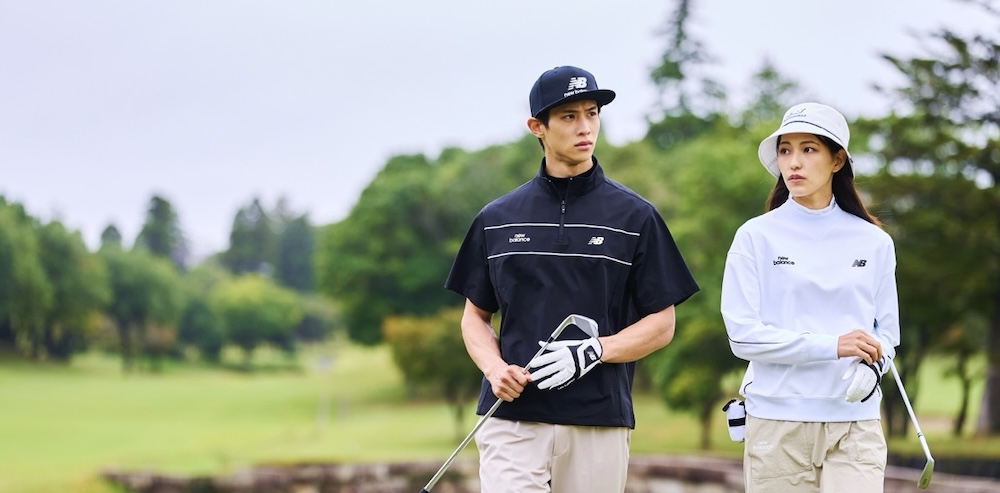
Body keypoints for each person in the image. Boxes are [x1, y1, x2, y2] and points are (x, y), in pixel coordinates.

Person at [444, 65, 699, 493]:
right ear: (537, 127)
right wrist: (494, 369)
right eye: (569, 116)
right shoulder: (497, 219)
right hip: (513, 418)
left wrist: (594, 350)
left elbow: (662, 324)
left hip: (598, 421)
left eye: (592, 113)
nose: (585, 127)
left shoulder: (636, 217)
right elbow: (475, 317)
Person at [720, 102, 900, 492]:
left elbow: (887, 335)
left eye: (808, 149)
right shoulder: (755, 237)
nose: (794, 162)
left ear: (837, 160)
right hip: (777, 424)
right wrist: (833, 346)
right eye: (785, 150)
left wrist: (873, 367)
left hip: (855, 423)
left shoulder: (874, 242)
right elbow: (743, 337)